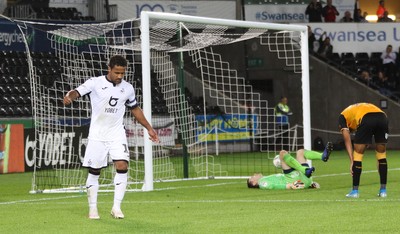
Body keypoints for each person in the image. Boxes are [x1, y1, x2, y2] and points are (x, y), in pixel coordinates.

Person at [63, 55, 160, 219]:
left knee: (122, 165)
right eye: (117, 72)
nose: (120, 76)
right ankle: (93, 209)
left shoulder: (128, 88)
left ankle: (116, 207)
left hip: (117, 134)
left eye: (122, 73)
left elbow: (135, 109)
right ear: (109, 69)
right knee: (95, 171)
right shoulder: (95, 83)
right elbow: (76, 92)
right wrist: (69, 97)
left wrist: (149, 128)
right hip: (97, 135)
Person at [338, 103, 388, 198]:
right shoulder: (355, 109)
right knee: (381, 155)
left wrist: (352, 161)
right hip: (383, 117)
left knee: (358, 155)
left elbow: (347, 140)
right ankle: (383, 191)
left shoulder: (342, 117)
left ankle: (355, 192)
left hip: (366, 118)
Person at [247, 142, 333, 190]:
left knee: (300, 152)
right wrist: (287, 186)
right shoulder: (262, 182)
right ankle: (305, 170)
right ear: (254, 183)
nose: (254, 174)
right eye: (252, 177)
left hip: (302, 179)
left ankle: (322, 156)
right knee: (282, 153)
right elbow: (271, 186)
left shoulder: (266, 178)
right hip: (295, 181)